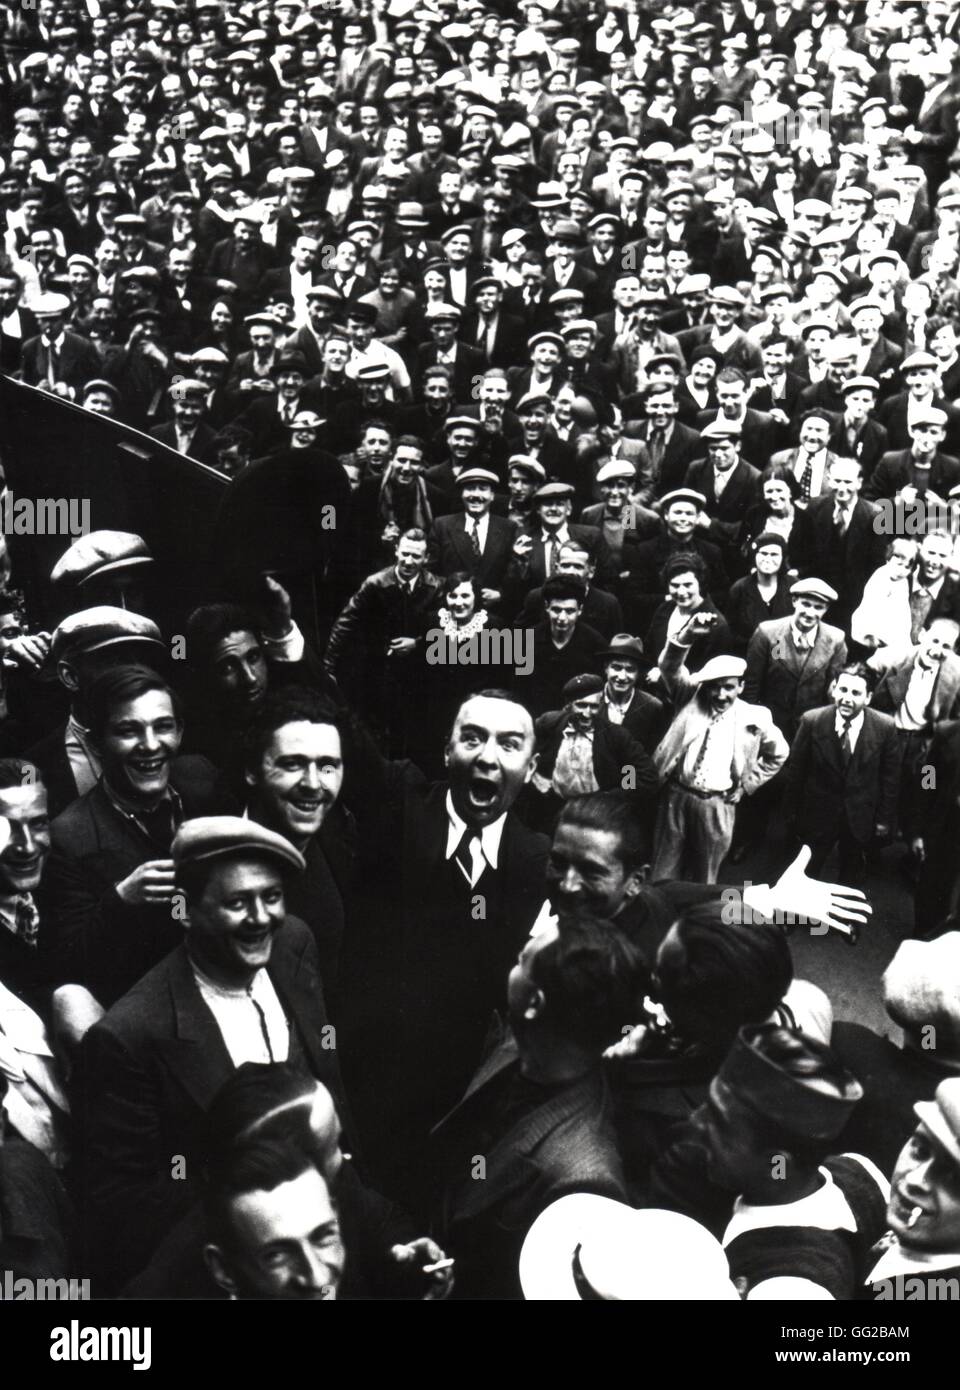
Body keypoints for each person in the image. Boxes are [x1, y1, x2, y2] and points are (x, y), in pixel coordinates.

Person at [79, 815, 343, 1292]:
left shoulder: (294, 944)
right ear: (184, 910)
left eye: (272, 897)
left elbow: (331, 1092)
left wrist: (389, 1242)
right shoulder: (129, 1036)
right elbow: (127, 1211)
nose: (261, 918)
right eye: (238, 903)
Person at [429, 915, 638, 1300]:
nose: (513, 965)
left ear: (534, 1003)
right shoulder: (519, 1045)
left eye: (521, 960)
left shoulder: (586, 1181)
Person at [656, 1025, 888, 1300]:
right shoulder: (860, 1169)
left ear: (777, 1165)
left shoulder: (787, 1289)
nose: (696, 1120)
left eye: (718, 1122)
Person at [42, 665, 226, 1006]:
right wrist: (121, 900)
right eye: (129, 731)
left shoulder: (204, 780)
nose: (151, 745)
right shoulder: (68, 837)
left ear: (180, 731)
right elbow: (65, 966)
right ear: (98, 743)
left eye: (163, 727)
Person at [650, 635, 789, 883]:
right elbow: (669, 666)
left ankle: (697, 920)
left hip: (717, 804)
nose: (721, 694)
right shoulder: (688, 700)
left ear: (741, 687)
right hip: (676, 797)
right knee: (663, 871)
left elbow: (779, 754)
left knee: (706, 875)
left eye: (728, 687)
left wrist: (747, 785)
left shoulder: (755, 717)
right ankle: (659, 917)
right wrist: (687, 635)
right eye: (714, 686)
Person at [784, 662, 901, 889]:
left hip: (859, 815)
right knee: (808, 867)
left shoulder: (885, 727)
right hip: (818, 813)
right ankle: (796, 916)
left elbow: (890, 779)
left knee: (852, 870)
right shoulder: (812, 721)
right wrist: (791, 813)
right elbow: (796, 772)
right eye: (843, 690)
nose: (847, 698)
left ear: (868, 698)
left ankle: (845, 920)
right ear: (834, 689)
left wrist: (883, 820)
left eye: (856, 693)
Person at [744, 578, 848, 742]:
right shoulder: (769, 633)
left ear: (826, 609)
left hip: (811, 729)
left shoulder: (835, 639)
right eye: (806, 604)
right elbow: (751, 684)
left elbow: (833, 690)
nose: (810, 613)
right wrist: (751, 723)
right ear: (794, 601)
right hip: (770, 727)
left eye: (818, 607)